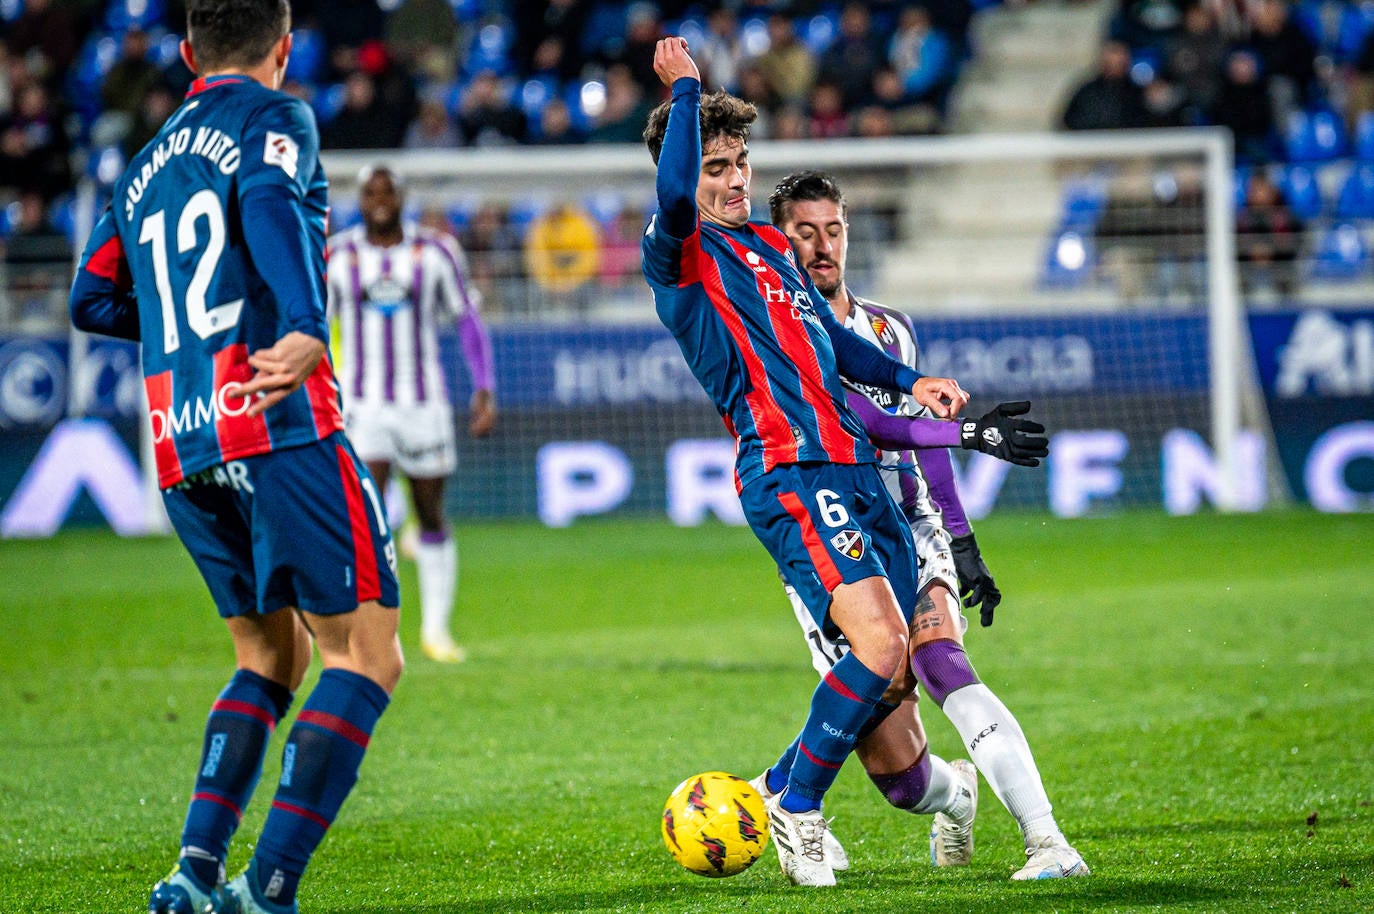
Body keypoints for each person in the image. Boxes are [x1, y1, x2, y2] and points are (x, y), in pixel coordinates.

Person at [69, 3, 404, 913]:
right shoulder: (273, 114)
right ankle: (268, 890)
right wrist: (300, 323)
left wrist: (184, 339)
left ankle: (195, 872)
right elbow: (262, 200)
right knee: (365, 655)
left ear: (185, 54)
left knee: (269, 659)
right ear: (285, 48)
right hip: (275, 420)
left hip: (182, 439)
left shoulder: (142, 167)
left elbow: (90, 299)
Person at [640, 37, 970, 887]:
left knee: (892, 685)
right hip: (790, 472)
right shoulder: (679, 255)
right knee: (880, 640)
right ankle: (794, 809)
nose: (736, 178)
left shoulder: (773, 251)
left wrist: (912, 380)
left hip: (860, 472)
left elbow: (838, 352)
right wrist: (686, 94)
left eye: (743, 161)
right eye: (719, 165)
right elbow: (675, 193)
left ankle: (793, 788)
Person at [765, 169, 1090, 881]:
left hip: (908, 527)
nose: (822, 247)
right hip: (833, 538)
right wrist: (972, 431)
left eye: (833, 230)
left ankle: (1049, 843)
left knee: (942, 661)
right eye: (804, 234)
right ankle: (951, 796)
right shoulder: (783, 337)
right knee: (900, 777)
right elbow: (874, 421)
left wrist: (963, 544)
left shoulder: (890, 329)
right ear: (778, 243)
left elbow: (921, 435)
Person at [327, 164, 496, 663]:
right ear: (359, 200)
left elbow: (467, 321)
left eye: (388, 192)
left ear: (403, 197)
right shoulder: (337, 256)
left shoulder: (436, 251)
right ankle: (368, 631)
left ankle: (436, 631)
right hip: (363, 406)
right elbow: (312, 329)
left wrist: (484, 387)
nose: (379, 200)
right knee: (364, 517)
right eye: (370, 193)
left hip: (424, 404)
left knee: (429, 514)